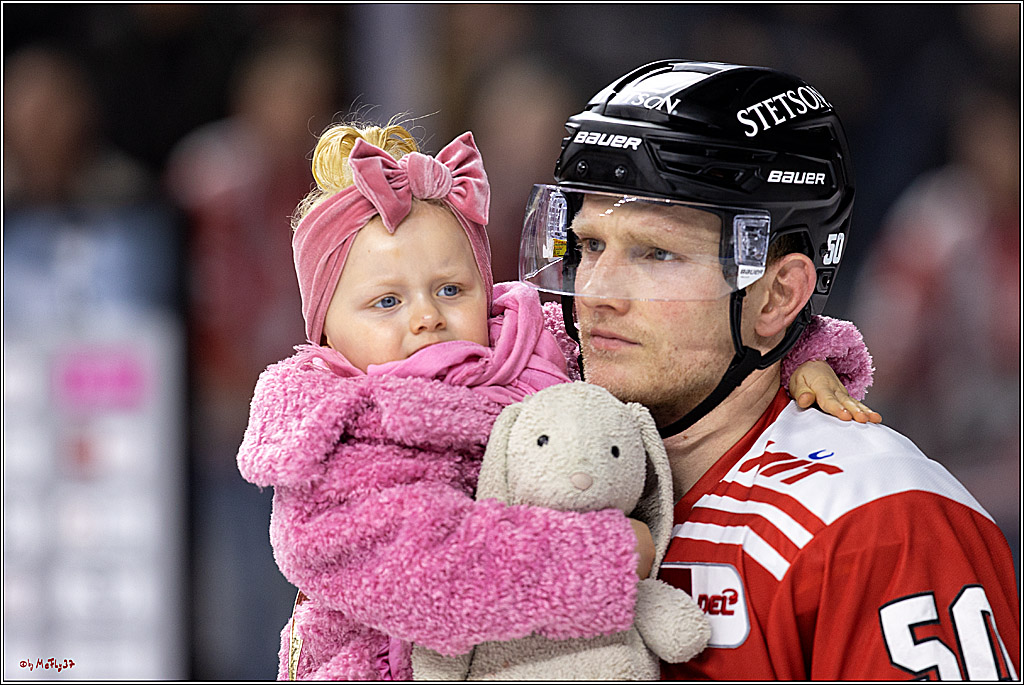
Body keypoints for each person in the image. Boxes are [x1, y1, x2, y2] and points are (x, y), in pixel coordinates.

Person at [236, 119, 876, 680]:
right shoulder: (333, 436)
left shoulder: (527, 347)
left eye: (452, 289)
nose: (426, 317)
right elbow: (427, 570)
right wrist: (605, 556)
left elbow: (660, 345)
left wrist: (803, 357)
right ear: (323, 332)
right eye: (386, 302)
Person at [517, 59, 1019, 680]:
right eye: (590, 246)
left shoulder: (881, 523)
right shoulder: (525, 469)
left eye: (656, 253)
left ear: (779, 296)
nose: (595, 292)